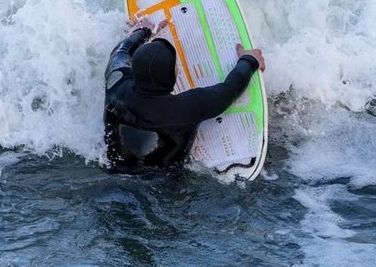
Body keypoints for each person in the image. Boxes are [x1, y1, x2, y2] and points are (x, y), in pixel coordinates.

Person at [103, 15, 265, 171]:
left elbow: (120, 51)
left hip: (115, 171)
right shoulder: (187, 108)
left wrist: (142, 31)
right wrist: (249, 61)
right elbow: (229, 90)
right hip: (166, 185)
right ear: (172, 76)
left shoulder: (116, 84)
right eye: (175, 67)